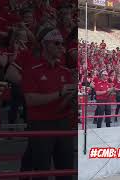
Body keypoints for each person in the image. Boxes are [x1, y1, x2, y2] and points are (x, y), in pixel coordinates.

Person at [21, 28, 74, 180]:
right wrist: (59, 93)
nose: (61, 47)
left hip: (63, 123)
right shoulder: (32, 70)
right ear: (45, 45)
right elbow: (30, 100)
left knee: (66, 171)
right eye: (56, 43)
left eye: (62, 44)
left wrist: (72, 97)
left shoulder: (65, 71)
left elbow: (63, 103)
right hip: (40, 124)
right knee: (41, 171)